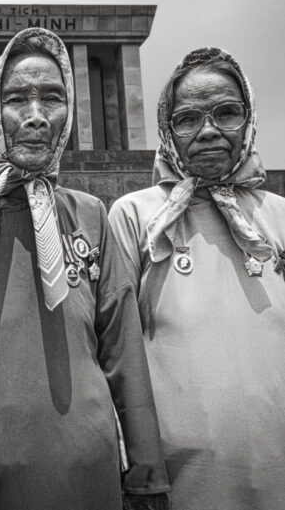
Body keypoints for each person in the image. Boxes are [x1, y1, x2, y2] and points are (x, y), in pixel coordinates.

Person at [0, 27, 169, 510]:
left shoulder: (91, 214)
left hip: (96, 475)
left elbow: (123, 352)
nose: (37, 117)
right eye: (17, 99)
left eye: (52, 99)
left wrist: (145, 477)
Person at [108, 47, 285, 509]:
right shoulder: (136, 215)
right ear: (167, 129)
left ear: (248, 121)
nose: (208, 131)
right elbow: (116, 351)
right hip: (181, 478)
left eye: (227, 113)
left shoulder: (280, 216)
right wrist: (139, 472)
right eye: (188, 119)